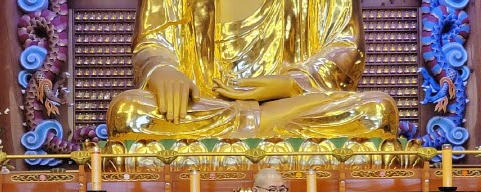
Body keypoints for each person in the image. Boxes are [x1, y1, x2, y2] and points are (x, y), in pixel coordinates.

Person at [106, 0, 398, 140]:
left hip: (290, 105)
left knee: (377, 111)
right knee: (129, 112)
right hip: (204, 105)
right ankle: (260, 125)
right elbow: (153, 42)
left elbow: (345, 47)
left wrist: (290, 84)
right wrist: (162, 70)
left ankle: (247, 127)